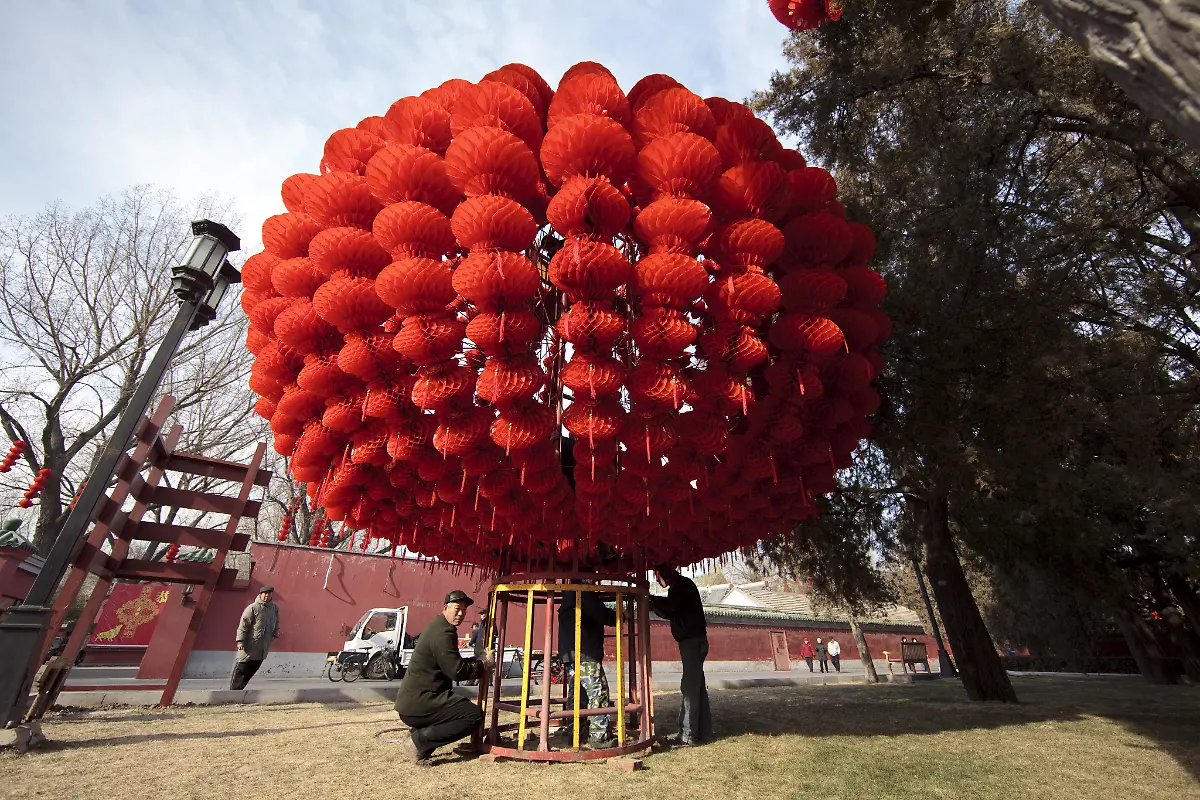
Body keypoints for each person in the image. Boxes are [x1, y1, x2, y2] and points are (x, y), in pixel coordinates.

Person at [394, 590, 493, 766]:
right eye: (457, 609)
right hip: (421, 702)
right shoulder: (443, 632)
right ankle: (418, 741)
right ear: (445, 608)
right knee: (472, 715)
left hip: (415, 701)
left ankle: (419, 738)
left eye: (464, 610)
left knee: (462, 709)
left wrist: (477, 661)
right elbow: (456, 671)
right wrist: (483, 664)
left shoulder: (440, 627)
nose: (461, 613)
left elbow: (451, 662)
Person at [650, 565, 711, 746]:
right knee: (697, 687)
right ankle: (704, 731)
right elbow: (671, 611)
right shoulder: (682, 587)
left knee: (690, 688)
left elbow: (671, 608)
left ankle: (687, 735)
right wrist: (654, 604)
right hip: (696, 640)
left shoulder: (680, 587)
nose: (657, 580)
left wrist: (652, 601)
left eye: (657, 575)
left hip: (692, 641)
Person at [559, 585, 617, 747]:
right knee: (598, 693)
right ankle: (600, 736)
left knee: (577, 695)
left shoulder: (569, 594)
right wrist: (622, 614)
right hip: (585, 654)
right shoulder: (583, 591)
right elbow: (603, 615)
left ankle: (576, 734)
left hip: (570, 655)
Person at [230, 586, 280, 690]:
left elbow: (276, 622)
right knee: (242, 670)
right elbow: (243, 625)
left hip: (263, 647)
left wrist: (275, 633)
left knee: (251, 671)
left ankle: (240, 692)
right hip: (249, 646)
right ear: (260, 594)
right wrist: (240, 641)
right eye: (265, 593)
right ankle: (233, 693)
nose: (267, 595)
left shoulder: (274, 608)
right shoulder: (253, 608)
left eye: (269, 594)